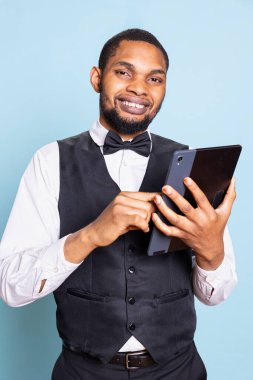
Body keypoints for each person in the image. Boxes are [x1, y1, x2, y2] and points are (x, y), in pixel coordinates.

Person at [0, 29, 237, 380]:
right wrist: (92, 234)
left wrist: (211, 251)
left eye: (154, 78)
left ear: (164, 88)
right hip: (82, 371)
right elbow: (11, 288)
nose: (139, 88)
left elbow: (215, 296)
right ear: (97, 78)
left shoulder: (191, 163)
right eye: (124, 72)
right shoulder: (49, 161)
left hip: (179, 370)